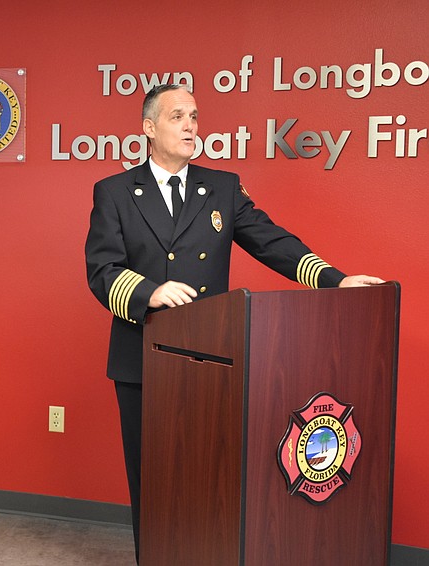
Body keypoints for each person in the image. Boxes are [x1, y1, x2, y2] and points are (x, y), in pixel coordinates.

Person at [84, 83, 383, 560]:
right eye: (177, 116)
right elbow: (102, 270)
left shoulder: (221, 186)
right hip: (142, 359)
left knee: (207, 474)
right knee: (152, 477)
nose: (189, 126)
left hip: (212, 358)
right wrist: (149, 292)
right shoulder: (116, 192)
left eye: (195, 117)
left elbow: (271, 240)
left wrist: (334, 280)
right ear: (148, 128)